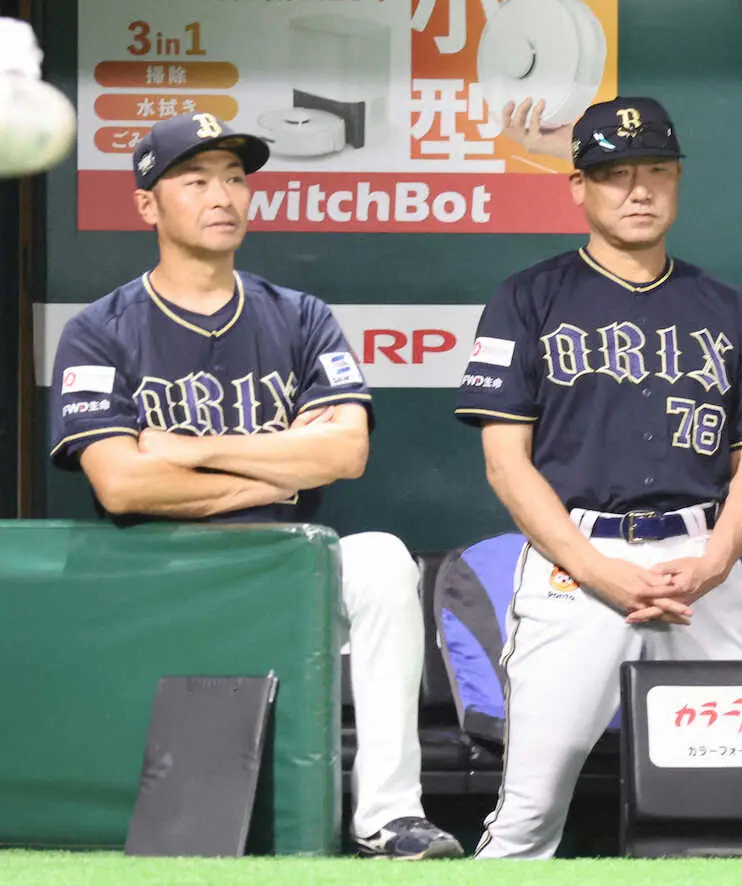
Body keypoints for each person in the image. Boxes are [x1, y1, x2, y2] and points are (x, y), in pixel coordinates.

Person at [48, 112, 462, 860]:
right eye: (195, 180)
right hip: (161, 572)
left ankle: (389, 817)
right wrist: (282, 463)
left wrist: (192, 451)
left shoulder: (300, 318)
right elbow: (122, 485)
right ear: (146, 205)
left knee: (380, 560)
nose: (223, 196)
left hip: (282, 561)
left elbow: (345, 453)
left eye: (235, 179)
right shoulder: (100, 330)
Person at [454, 96, 742, 858]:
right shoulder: (528, 299)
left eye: (656, 171)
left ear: (677, 180)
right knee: (528, 815)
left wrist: (715, 563)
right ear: (578, 187)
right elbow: (505, 464)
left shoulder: (725, 308)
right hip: (578, 564)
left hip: (699, 564)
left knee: (733, 806)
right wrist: (596, 569)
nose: (638, 190)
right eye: (615, 174)